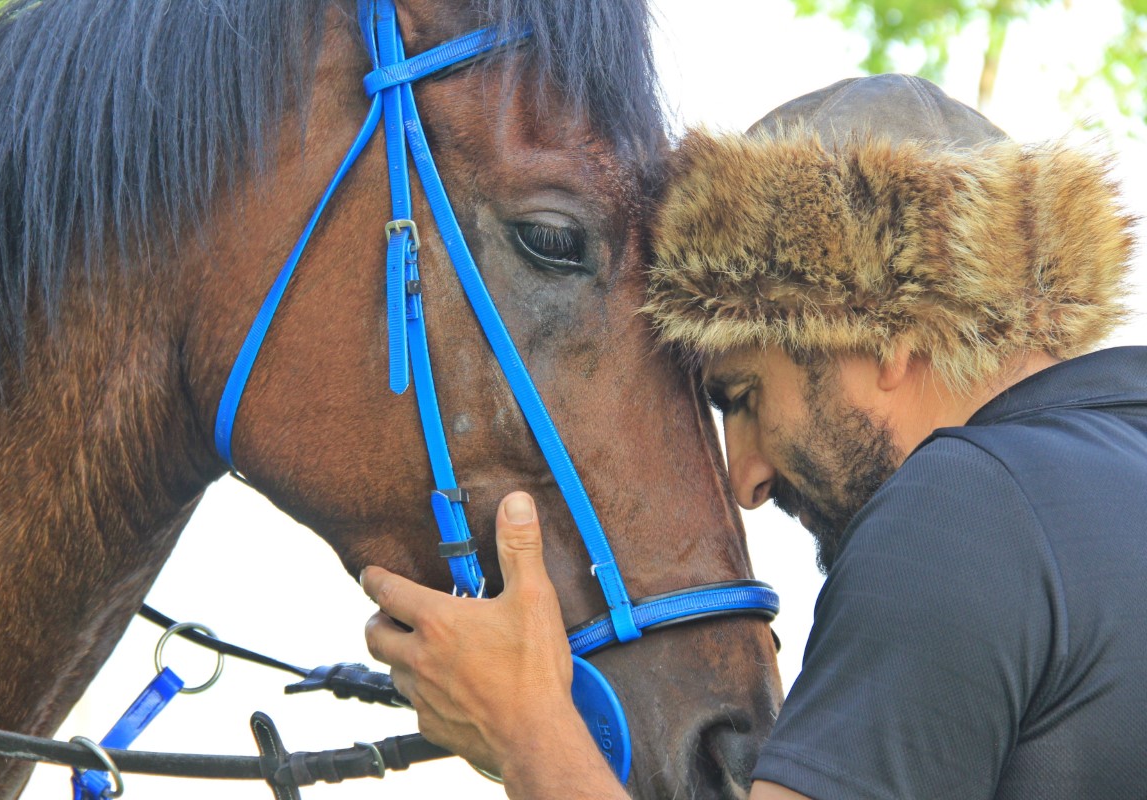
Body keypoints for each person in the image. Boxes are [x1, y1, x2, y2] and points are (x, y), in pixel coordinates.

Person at [360, 74, 1147, 799]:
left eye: (742, 396)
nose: (746, 481)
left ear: (881, 330)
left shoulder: (959, 511)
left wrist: (526, 731)